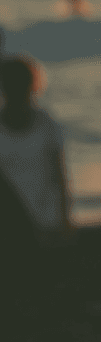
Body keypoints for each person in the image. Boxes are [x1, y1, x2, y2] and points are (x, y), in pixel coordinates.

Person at [0, 54, 73, 250]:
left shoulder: (46, 126)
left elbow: (59, 178)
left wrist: (64, 221)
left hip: (44, 223)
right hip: (8, 227)